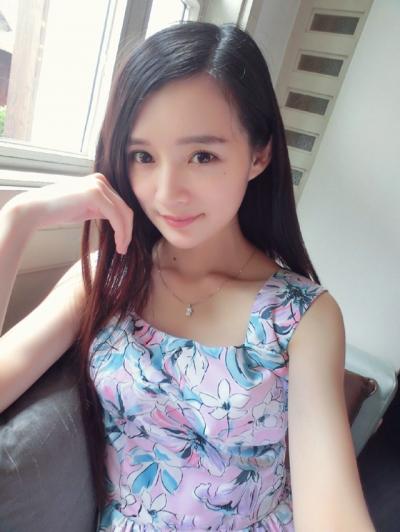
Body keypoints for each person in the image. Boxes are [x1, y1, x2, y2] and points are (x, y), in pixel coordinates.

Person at [0, 21, 374, 532]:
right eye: (143, 156)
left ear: (259, 154)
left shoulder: (302, 318)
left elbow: (332, 512)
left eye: (202, 156)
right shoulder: (107, 278)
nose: (167, 192)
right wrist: (17, 220)